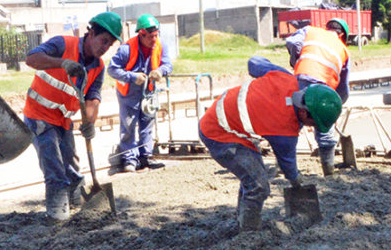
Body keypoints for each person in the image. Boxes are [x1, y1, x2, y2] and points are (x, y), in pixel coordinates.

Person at [198, 59, 342, 232]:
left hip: (230, 123)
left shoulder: (286, 78)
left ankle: (242, 219)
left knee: (252, 175)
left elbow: (254, 63)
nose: (313, 128)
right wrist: (297, 183)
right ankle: (248, 235)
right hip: (219, 133)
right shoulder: (284, 130)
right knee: (258, 185)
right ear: (303, 112)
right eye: (314, 123)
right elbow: (288, 166)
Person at [22, 12, 121, 220]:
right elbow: (31, 58)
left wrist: (90, 123)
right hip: (38, 116)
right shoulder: (62, 44)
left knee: (72, 167)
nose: (105, 48)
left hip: (62, 120)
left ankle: (78, 208)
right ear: (92, 33)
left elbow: (93, 97)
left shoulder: (98, 66)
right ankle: (58, 217)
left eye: (109, 44)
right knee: (55, 169)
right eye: (103, 41)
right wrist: (61, 63)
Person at [107, 14, 173, 173]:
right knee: (128, 125)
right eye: (150, 37)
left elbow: (167, 64)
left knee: (147, 124)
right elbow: (112, 69)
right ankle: (130, 159)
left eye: (156, 36)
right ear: (141, 34)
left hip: (148, 91)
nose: (154, 40)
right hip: (129, 93)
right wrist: (131, 77)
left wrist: (160, 71)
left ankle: (146, 157)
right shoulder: (126, 49)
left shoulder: (160, 45)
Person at [286, 18, 351, 175]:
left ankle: (284, 166)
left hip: (301, 79)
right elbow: (344, 88)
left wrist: (296, 62)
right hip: (325, 88)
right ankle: (328, 171)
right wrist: (334, 110)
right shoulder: (344, 50)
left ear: (326, 27)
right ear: (342, 35)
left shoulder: (310, 31)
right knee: (324, 127)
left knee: (292, 124)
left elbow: (292, 42)